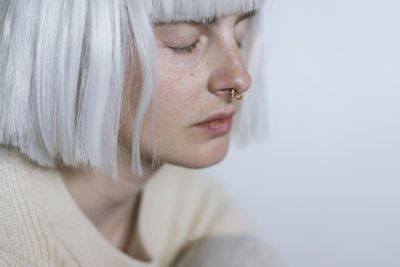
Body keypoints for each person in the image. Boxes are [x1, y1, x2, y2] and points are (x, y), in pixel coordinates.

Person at [0, 0, 279, 266]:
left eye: (239, 36)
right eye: (185, 43)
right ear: (75, 45)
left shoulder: (195, 207)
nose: (240, 79)